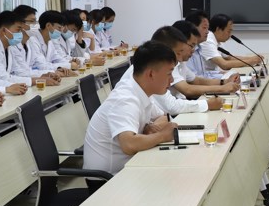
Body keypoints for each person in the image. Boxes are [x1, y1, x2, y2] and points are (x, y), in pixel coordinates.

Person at [82, 42, 179, 174]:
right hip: (107, 179)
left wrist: (148, 127)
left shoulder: (141, 90)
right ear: (151, 74)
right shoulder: (125, 99)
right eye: (169, 74)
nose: (172, 80)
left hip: (128, 167)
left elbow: (164, 117)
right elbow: (129, 145)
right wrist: (161, 135)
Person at [142, 27, 224, 114]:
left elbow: (158, 114)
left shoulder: (174, 63)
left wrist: (223, 83)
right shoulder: (156, 69)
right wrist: (208, 103)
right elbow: (172, 106)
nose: (181, 56)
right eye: (178, 52)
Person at [168, 20, 239, 100]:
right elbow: (187, 90)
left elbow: (196, 80)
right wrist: (222, 88)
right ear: (180, 43)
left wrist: (225, 82)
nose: (193, 50)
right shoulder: (168, 62)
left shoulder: (181, 62)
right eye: (192, 45)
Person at [14, 4, 68, 81]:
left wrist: (63, 68)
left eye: (35, 21)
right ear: (20, 23)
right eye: (32, 21)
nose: (35, 24)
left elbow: (40, 63)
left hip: (31, 79)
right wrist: (54, 72)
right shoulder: (15, 44)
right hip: (21, 81)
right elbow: (36, 67)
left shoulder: (30, 41)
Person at [0, 11, 36, 87]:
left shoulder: (9, 46)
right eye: (18, 30)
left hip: (3, 88)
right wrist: (34, 81)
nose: (21, 33)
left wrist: (41, 77)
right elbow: (1, 77)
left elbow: (18, 71)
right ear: (3, 31)